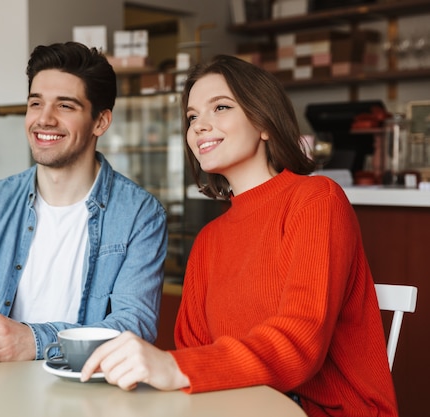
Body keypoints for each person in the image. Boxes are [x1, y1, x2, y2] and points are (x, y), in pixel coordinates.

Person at [81, 54, 398, 417]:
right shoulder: (207, 241)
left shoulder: (316, 200)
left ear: (264, 122)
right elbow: (196, 351)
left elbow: (300, 343)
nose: (200, 125)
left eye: (220, 107)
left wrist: (175, 367)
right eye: (192, 117)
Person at [0, 42, 168, 363]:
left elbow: (133, 326)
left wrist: (33, 341)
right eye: (35, 103)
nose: (44, 119)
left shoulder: (140, 214)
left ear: (101, 122)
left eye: (65, 106)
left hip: (83, 387)